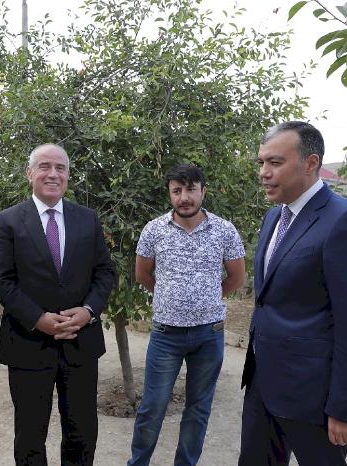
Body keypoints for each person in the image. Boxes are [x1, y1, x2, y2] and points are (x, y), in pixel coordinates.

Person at [238, 121, 347, 466]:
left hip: (313, 397)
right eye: (261, 162)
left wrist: (346, 407)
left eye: (275, 162)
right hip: (262, 384)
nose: (264, 172)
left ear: (310, 163)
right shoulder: (273, 218)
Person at [0, 143, 115, 466]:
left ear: (68, 176)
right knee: (30, 436)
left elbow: (104, 272)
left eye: (60, 168)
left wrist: (88, 312)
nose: (53, 174)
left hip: (80, 343)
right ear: (30, 173)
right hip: (28, 344)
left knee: (81, 434)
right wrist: (37, 318)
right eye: (45, 166)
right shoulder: (8, 221)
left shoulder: (87, 219)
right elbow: (0, 279)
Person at [128, 164, 246, 466]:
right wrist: (169, 296)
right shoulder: (154, 229)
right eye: (177, 190)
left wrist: (209, 297)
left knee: (198, 409)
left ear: (203, 191)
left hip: (209, 335)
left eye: (191, 189)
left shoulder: (224, 230)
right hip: (166, 335)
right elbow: (143, 275)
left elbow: (237, 277)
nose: (184, 197)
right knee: (152, 407)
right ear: (169, 194)